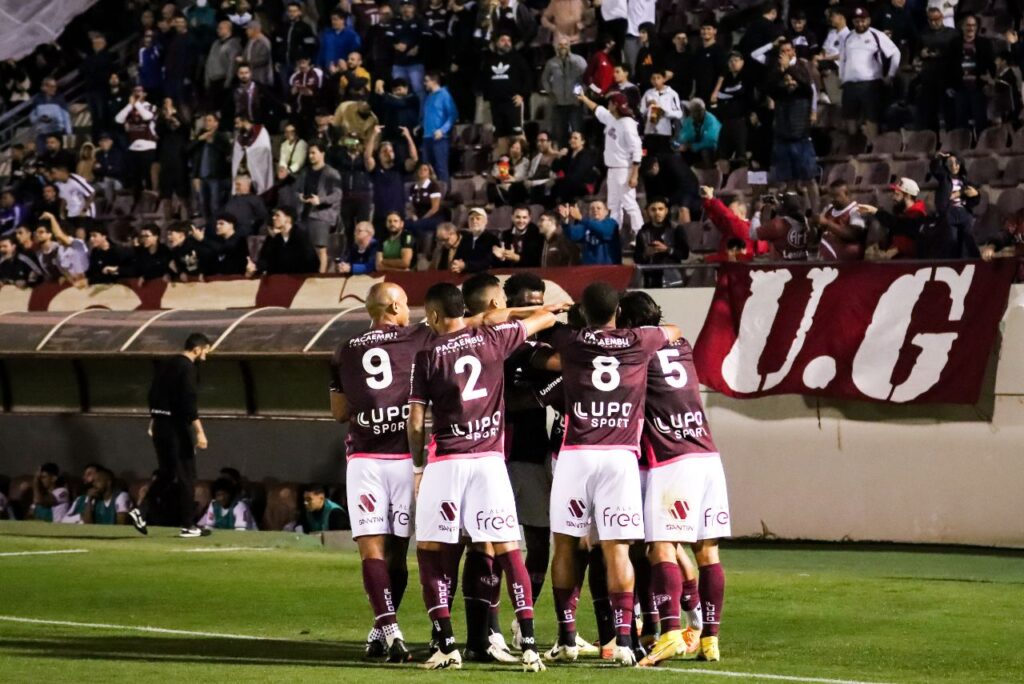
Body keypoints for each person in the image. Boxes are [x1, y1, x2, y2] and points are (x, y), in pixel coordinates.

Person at [408, 282, 555, 671]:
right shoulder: (495, 338)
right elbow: (544, 318)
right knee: (508, 548)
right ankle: (529, 645)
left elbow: (416, 420)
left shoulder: (427, 355)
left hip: (447, 461)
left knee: (430, 551)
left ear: (436, 316)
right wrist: (525, 312)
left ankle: (445, 644)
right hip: (489, 462)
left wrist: (417, 467)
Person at [538, 282, 682, 665]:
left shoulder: (571, 340)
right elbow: (674, 332)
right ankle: (622, 640)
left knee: (566, 543)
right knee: (618, 549)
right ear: (617, 310)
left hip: (576, 454)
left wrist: (556, 310)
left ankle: (567, 636)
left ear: (584, 312)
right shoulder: (639, 340)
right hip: (619, 456)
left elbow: (538, 330)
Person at [618, 291, 729, 666]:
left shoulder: (636, 353)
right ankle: (710, 638)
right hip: (707, 455)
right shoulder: (680, 343)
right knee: (707, 551)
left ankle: (668, 634)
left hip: (672, 459)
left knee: (661, 548)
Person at [329, 282, 432, 662]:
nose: (409, 311)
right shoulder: (418, 337)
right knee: (397, 552)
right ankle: (390, 631)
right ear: (391, 307)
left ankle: (384, 630)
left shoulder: (341, 351)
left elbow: (339, 413)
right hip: (404, 458)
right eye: (405, 304)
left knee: (371, 550)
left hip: (364, 459)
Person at [131, 333, 212, 538]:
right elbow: (188, 401)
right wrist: (200, 432)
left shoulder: (166, 365)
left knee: (167, 473)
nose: (206, 356)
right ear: (197, 349)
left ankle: (140, 511)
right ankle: (188, 525)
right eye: (206, 351)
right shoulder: (187, 368)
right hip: (176, 427)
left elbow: (154, 395)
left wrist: (154, 420)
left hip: (160, 425)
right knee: (187, 475)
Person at [577, 92, 643, 237]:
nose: (608, 105)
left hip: (624, 169)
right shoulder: (613, 119)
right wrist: (585, 98)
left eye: (610, 102)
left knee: (629, 204)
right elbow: (598, 110)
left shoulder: (627, 124)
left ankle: (640, 235)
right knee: (613, 204)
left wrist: (634, 174)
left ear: (615, 105)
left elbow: (637, 149)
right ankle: (613, 234)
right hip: (612, 169)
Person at [838, 7, 901, 141]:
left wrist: (890, 75)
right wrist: (842, 78)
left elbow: (895, 53)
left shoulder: (876, 35)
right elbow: (842, 59)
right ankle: (856, 149)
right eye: (857, 21)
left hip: (870, 83)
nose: (860, 24)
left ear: (869, 20)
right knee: (850, 121)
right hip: (850, 84)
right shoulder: (848, 37)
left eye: (863, 21)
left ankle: (873, 148)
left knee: (871, 119)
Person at [295, 141, 342, 273]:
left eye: (313, 153)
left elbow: (337, 195)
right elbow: (297, 190)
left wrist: (320, 200)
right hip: (304, 214)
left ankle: (321, 276)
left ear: (322, 154)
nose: (311, 156)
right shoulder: (305, 172)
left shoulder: (331, 173)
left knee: (320, 249)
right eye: (309, 153)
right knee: (306, 249)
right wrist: (300, 196)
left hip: (321, 216)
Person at [481, 33, 531, 150]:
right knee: (501, 137)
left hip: (513, 103)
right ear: (496, 43)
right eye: (503, 40)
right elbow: (484, 80)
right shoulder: (489, 60)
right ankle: (504, 165)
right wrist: (488, 98)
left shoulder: (517, 59)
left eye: (509, 40)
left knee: (518, 135)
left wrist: (522, 95)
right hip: (496, 104)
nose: (507, 43)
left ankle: (525, 162)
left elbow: (528, 77)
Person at [634, 197, 689, 288]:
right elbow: (637, 258)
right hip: (650, 278)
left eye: (660, 209)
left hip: (672, 278)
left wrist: (667, 249)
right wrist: (646, 253)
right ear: (648, 211)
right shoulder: (643, 231)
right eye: (653, 209)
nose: (657, 212)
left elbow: (684, 254)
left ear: (666, 211)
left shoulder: (676, 229)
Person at [114, 84, 159, 195]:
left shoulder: (151, 106)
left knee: (148, 176)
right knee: (136, 178)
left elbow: (147, 117)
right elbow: (118, 119)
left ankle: (151, 200)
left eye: (139, 91)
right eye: (135, 91)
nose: (137, 93)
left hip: (148, 146)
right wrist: (130, 105)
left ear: (145, 94)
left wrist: (137, 104)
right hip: (133, 147)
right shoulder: (130, 108)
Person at [542, 39, 587, 147]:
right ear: (557, 47)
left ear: (569, 46)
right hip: (558, 103)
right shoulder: (551, 62)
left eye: (565, 44)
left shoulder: (579, 60)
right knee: (559, 133)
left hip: (574, 103)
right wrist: (550, 92)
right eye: (560, 44)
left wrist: (578, 94)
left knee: (577, 132)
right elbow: (545, 79)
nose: (563, 47)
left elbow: (584, 78)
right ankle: (563, 155)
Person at [253, 206, 318, 275]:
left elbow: (311, 261)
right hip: (279, 280)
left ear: (288, 219)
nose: (273, 218)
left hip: (299, 279)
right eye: (274, 215)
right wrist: (255, 267)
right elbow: (265, 260)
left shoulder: (300, 236)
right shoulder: (274, 239)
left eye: (277, 215)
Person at [34, 212, 89, 286]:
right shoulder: (61, 249)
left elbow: (58, 234)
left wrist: (52, 217)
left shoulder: (77, 244)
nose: (56, 237)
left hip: (84, 285)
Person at [64, 467, 132, 526]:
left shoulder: (121, 496)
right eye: (94, 481)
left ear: (109, 482)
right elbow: (88, 524)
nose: (94, 484)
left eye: (98, 480)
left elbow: (122, 525)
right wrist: (89, 500)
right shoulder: (95, 498)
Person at [817, 180, 866, 261]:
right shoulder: (828, 209)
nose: (832, 199)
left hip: (846, 264)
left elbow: (854, 235)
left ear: (847, 194)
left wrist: (827, 223)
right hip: (826, 262)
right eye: (831, 196)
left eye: (836, 196)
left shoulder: (856, 210)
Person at [421, 72, 457, 183]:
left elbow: (453, 114)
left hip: (440, 138)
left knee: (441, 167)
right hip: (427, 137)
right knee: (427, 168)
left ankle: (444, 195)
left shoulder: (444, 95)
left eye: (426, 81)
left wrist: (442, 130)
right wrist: (420, 125)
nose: (424, 84)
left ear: (434, 81)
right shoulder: (428, 98)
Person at [640, 69, 684, 155]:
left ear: (664, 79)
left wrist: (663, 111)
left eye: (658, 78)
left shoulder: (672, 94)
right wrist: (647, 105)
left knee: (663, 156)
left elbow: (679, 114)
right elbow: (641, 111)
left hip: (664, 132)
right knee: (646, 156)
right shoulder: (648, 93)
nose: (656, 81)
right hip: (649, 132)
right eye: (653, 78)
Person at [565, 201, 621, 265]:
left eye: (598, 208)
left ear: (606, 212)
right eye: (592, 208)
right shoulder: (586, 224)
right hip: (589, 269)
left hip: (609, 269)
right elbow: (574, 235)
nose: (595, 210)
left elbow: (603, 231)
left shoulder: (611, 223)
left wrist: (581, 218)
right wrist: (565, 221)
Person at [232, 115, 274, 195]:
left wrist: (249, 151)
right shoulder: (240, 135)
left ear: (244, 121)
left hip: (257, 172)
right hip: (244, 172)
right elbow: (237, 153)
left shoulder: (261, 131)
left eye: (238, 123)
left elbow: (265, 149)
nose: (236, 126)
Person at [674, 99, 721, 168]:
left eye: (699, 110)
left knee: (705, 151)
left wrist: (691, 146)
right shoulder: (689, 120)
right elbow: (682, 137)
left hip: (715, 148)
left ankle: (711, 173)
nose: (696, 114)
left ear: (704, 110)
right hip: (696, 146)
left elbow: (711, 142)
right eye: (694, 111)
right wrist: (679, 145)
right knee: (678, 154)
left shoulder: (711, 121)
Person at [29, 78, 72, 153]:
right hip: (43, 133)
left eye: (55, 86)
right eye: (51, 86)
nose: (54, 89)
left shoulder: (60, 98)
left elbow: (66, 116)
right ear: (44, 87)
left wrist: (69, 132)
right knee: (42, 155)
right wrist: (39, 119)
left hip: (57, 132)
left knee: (58, 154)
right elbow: (32, 116)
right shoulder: (37, 99)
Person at [451, 207, 499, 274]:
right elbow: (457, 257)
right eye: (471, 219)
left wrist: (465, 266)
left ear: (485, 221)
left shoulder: (492, 239)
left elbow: (487, 262)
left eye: (478, 218)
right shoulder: (466, 238)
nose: (474, 221)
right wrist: (456, 264)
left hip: (485, 277)